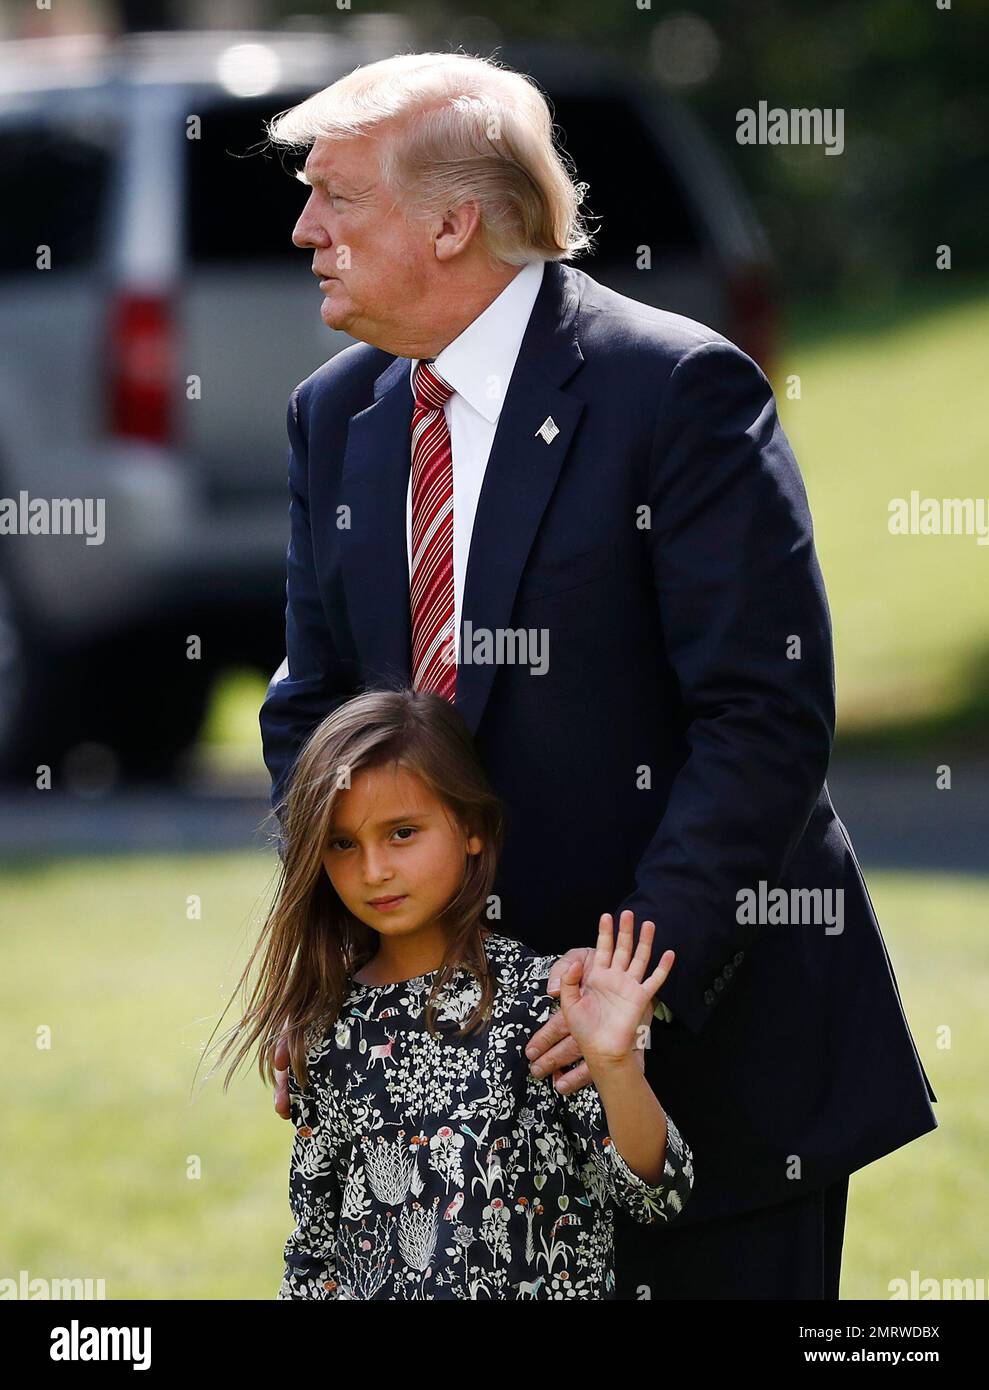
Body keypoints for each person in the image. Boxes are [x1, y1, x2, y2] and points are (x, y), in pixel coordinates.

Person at [258, 51, 937, 1299]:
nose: (304, 230)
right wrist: (327, 957)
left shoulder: (674, 387)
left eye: (335, 199)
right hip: (452, 1120)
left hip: (715, 1071)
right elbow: (316, 716)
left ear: (452, 220)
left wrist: (628, 989)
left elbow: (761, 719)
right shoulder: (331, 413)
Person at [213, 688, 694, 1299]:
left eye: (403, 832)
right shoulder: (323, 1029)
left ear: (471, 827)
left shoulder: (548, 1002)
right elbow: (314, 1253)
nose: (373, 870)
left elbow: (660, 1195)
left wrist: (617, 1065)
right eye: (342, 843)